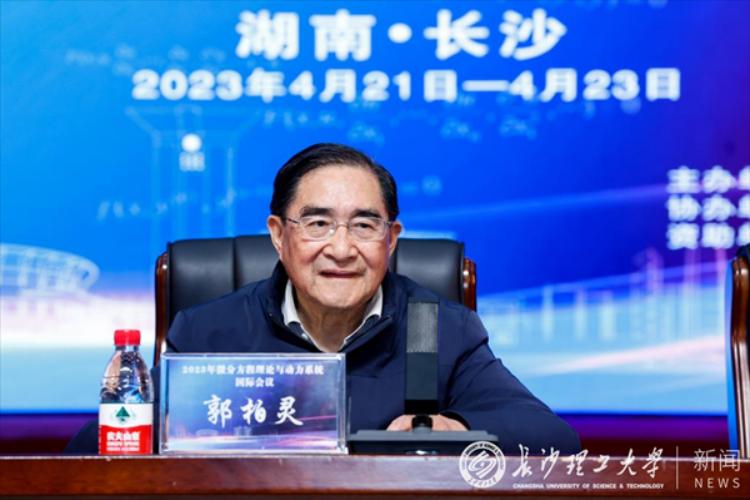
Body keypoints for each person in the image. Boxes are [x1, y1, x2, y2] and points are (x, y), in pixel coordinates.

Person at [67, 143, 580, 454]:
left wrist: (455, 426)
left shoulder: (441, 328)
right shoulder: (209, 331)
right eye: (317, 224)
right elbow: (95, 446)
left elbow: (552, 437)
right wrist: (174, 429)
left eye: (364, 225)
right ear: (278, 235)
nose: (341, 248)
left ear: (391, 239)